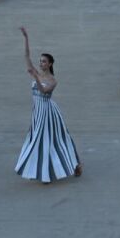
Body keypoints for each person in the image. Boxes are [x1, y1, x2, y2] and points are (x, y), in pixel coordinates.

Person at [15, 27, 82, 183]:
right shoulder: (37, 73)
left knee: (51, 140)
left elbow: (44, 91)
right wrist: (26, 38)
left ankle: (70, 166)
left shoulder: (53, 80)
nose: (41, 63)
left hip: (47, 112)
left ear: (50, 64)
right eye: (40, 61)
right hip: (37, 112)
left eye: (44, 61)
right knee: (41, 140)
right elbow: (26, 56)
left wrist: (35, 78)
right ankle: (45, 171)